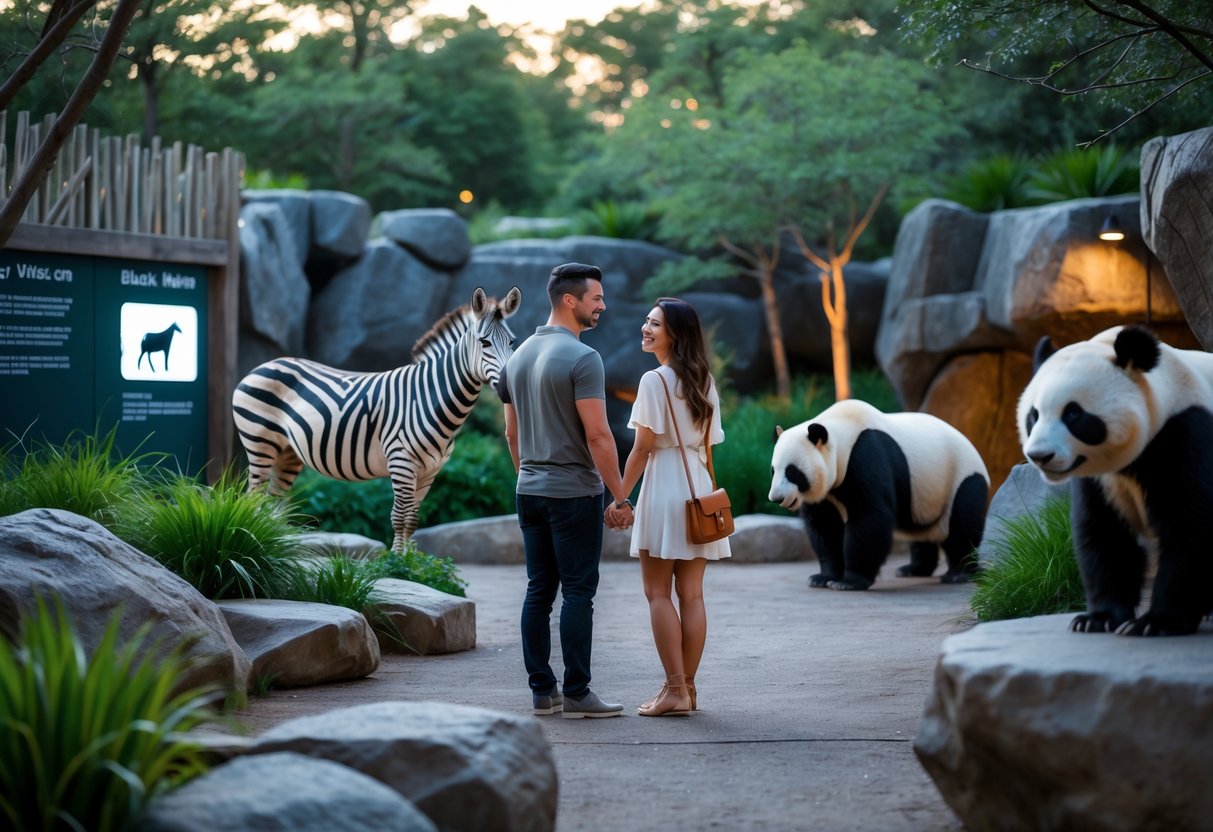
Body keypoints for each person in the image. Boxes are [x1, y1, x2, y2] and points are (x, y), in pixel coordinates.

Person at [501, 262, 632, 719]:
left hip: (529, 490)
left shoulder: (516, 357)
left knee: (539, 590)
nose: (603, 305)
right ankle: (578, 692)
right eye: (596, 298)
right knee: (578, 592)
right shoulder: (583, 358)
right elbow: (598, 436)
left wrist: (527, 476)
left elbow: (512, 435)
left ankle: (543, 692)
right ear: (570, 300)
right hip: (574, 491)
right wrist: (618, 496)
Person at [618, 297, 731, 717]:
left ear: (675, 334)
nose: (645, 329)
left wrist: (618, 496)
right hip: (697, 489)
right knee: (693, 595)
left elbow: (642, 449)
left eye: (655, 324)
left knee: (656, 592)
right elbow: (708, 444)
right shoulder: (705, 379)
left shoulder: (654, 381)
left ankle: (675, 690)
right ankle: (689, 688)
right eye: (646, 321)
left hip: (664, 487)